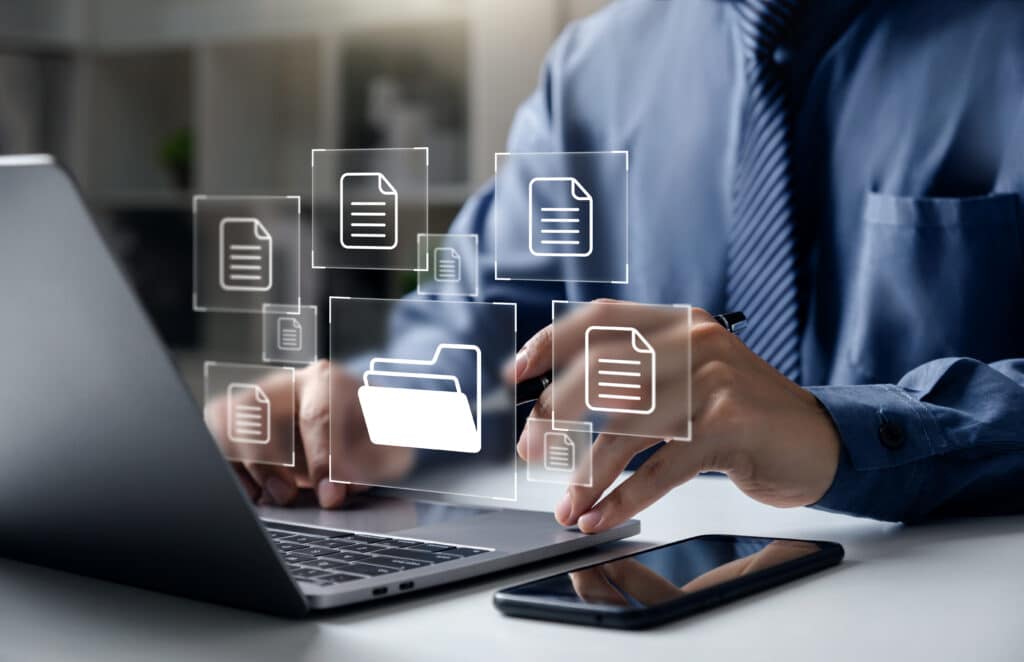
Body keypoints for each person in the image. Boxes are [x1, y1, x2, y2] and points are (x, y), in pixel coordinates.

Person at [218, 0, 1024, 528]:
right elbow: (491, 340)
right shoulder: (592, 71)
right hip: (629, 596)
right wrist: (376, 411)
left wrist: (839, 430)